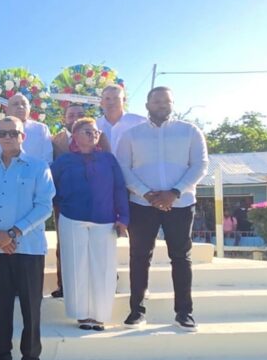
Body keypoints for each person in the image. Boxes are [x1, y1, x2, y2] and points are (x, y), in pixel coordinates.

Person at [116, 86, 208, 332]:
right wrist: (145, 193)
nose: (162, 105)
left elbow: (200, 165)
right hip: (142, 203)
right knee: (139, 257)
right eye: (157, 101)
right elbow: (123, 168)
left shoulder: (190, 131)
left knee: (181, 257)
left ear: (172, 104)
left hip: (180, 203)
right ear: (147, 105)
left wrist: (174, 192)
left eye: (166, 101)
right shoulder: (131, 135)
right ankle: (136, 311)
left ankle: (184, 313)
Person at [0, 116, 54, 360]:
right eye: (3, 133)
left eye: (13, 133)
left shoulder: (38, 166)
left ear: (23, 136)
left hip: (28, 248)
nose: (8, 137)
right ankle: (1, 358)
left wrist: (13, 233)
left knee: (31, 308)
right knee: (0, 306)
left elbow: (44, 206)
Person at [51, 118, 129, 331]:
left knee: (103, 268)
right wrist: (63, 203)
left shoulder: (108, 159)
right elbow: (49, 187)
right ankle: (82, 315)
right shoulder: (64, 161)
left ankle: (99, 315)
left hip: (104, 221)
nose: (93, 134)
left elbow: (119, 188)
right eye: (87, 131)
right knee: (76, 267)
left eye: (95, 132)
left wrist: (123, 218)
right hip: (72, 219)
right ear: (75, 135)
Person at [48, 103, 91, 299]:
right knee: (64, 243)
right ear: (64, 118)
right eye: (71, 115)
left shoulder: (96, 136)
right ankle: (64, 284)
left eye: (80, 114)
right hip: (65, 200)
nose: (76, 118)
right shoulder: (55, 141)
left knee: (94, 242)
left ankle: (100, 281)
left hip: (93, 199)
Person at [3, 93, 53, 165]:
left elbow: (47, 159)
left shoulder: (41, 129)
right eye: (15, 104)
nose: (20, 107)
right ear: (7, 109)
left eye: (24, 104)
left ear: (29, 108)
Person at [96, 84, 145, 153]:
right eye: (107, 99)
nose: (111, 102)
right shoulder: (96, 125)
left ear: (124, 100)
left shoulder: (139, 122)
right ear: (101, 102)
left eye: (116, 98)